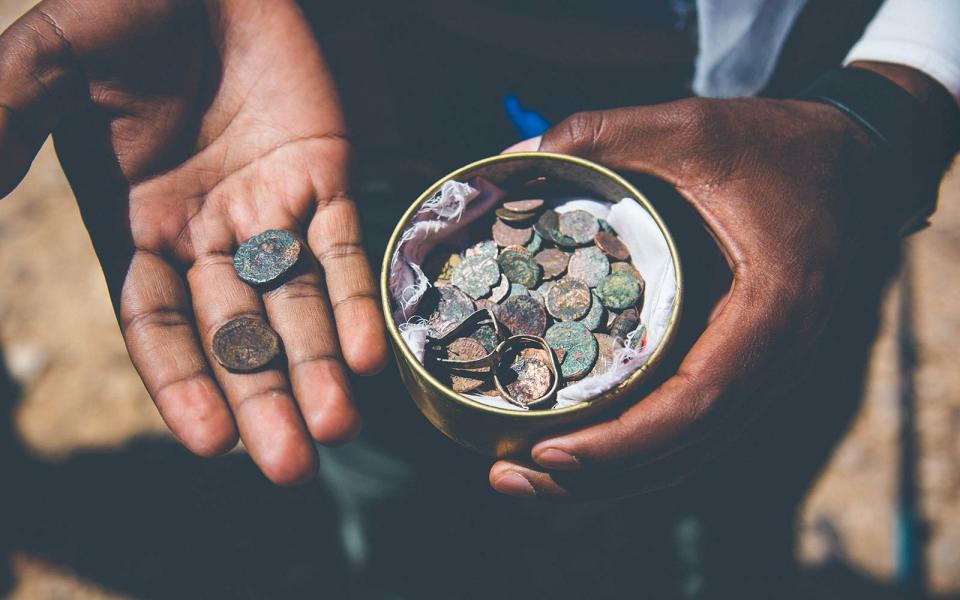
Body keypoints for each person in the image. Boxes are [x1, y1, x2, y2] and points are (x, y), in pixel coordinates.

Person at [0, 0, 957, 596]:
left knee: (738, 483)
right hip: (341, 106)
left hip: (788, 160)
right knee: (390, 473)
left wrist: (894, 100)